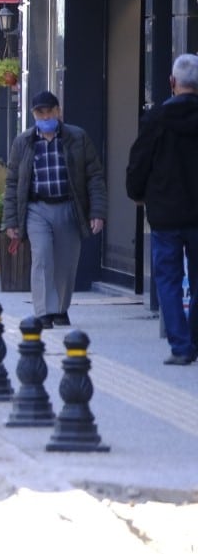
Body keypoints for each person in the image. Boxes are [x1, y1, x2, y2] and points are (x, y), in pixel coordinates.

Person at [3, 90, 107, 330]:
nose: (46, 115)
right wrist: (11, 221)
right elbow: (12, 183)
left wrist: (97, 212)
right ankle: (43, 312)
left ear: (58, 111)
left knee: (66, 263)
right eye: (41, 112)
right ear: (34, 114)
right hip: (36, 208)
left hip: (69, 206)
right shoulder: (24, 142)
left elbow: (94, 176)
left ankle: (60, 308)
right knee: (42, 257)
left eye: (50, 111)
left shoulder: (77, 137)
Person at [126, 54, 198, 365]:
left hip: (165, 213)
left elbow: (139, 163)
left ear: (172, 83)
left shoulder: (155, 120)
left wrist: (137, 194)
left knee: (167, 280)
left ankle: (181, 346)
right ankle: (194, 338)